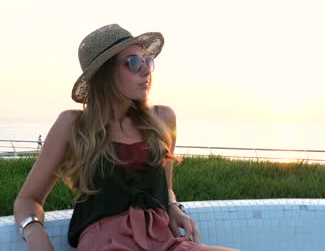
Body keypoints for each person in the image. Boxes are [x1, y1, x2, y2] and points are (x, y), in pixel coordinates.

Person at [14, 24, 237, 251]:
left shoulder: (162, 119)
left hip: (163, 242)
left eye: (147, 61)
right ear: (105, 74)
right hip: (105, 244)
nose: (146, 70)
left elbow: (165, 187)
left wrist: (173, 207)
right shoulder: (74, 125)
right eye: (133, 63)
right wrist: (34, 234)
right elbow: (27, 200)